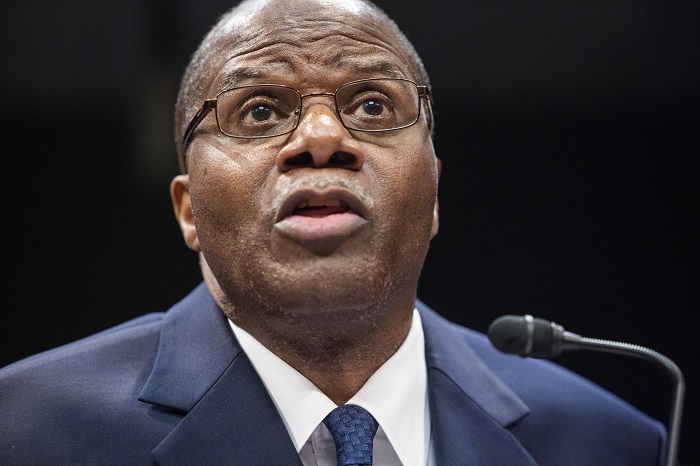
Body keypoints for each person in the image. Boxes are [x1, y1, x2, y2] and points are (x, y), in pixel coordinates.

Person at [0, 0, 666, 464]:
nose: (321, 139)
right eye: (259, 111)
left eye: (372, 105)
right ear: (189, 211)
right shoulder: (24, 430)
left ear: (434, 194)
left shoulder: (607, 443)